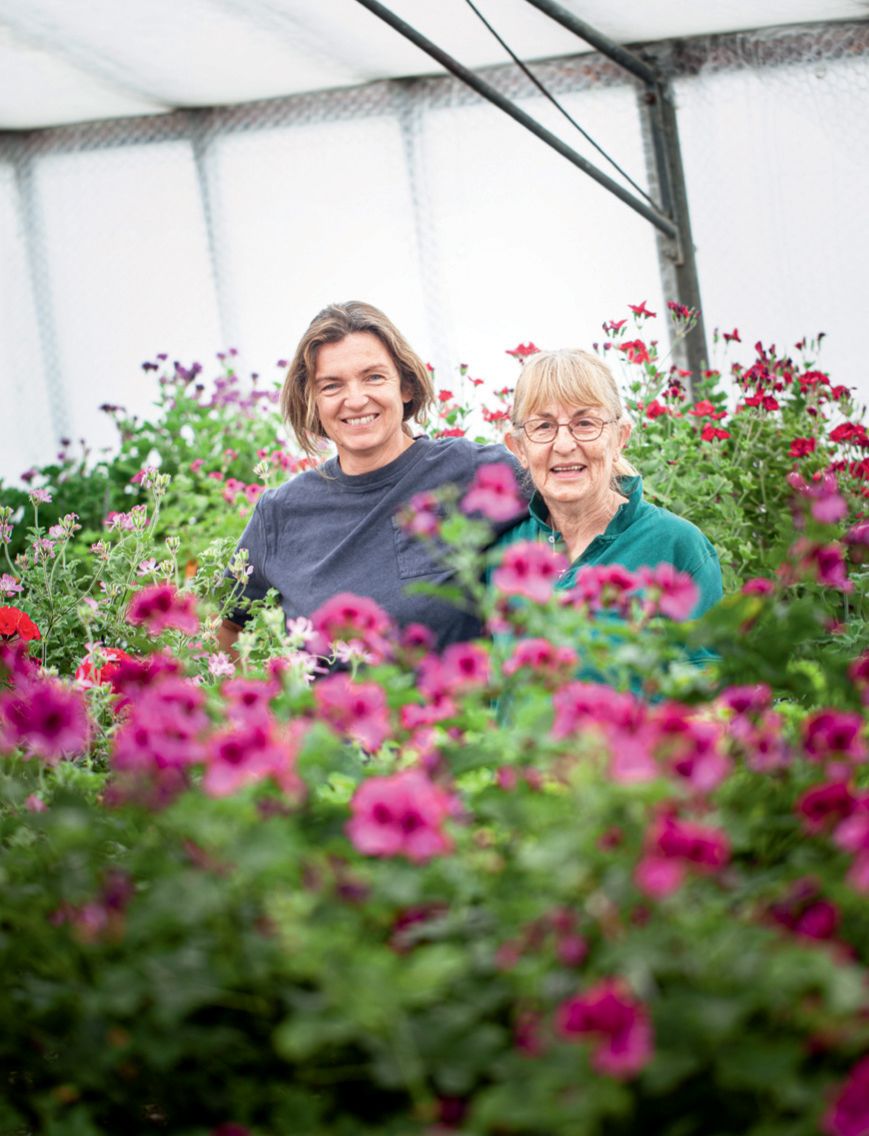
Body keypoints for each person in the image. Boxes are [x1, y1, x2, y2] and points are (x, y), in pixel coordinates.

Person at [218, 301, 524, 654]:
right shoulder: (281, 514)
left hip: (456, 708)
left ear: (405, 386)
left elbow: (578, 517)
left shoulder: (470, 471)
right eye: (332, 386)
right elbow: (226, 628)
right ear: (312, 401)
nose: (356, 399)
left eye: (373, 377)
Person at [496, 347, 722, 615]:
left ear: (620, 438)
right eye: (543, 426)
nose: (565, 445)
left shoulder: (677, 546)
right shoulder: (504, 553)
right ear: (519, 448)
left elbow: (707, 656)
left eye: (585, 423)